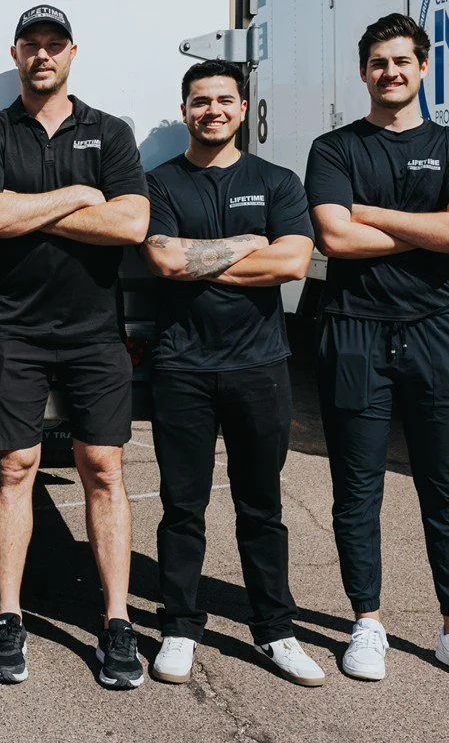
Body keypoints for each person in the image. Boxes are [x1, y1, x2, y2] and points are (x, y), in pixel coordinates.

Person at [305, 13, 449, 690]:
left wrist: (374, 214)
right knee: (356, 492)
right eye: (378, 63)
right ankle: (367, 622)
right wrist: (430, 229)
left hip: (437, 332)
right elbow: (335, 239)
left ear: (423, 68)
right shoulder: (333, 149)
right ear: (364, 73)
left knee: (445, 490)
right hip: (355, 330)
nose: (390, 72)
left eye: (402, 61)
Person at [0, 4, 150, 688]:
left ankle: (116, 620)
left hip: (95, 330)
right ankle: (8, 618)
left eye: (54, 45)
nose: (43, 56)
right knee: (14, 467)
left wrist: (29, 210)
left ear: (73, 53)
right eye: (32, 45)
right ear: (15, 54)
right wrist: (76, 194)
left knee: (103, 467)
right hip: (16, 327)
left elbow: (131, 223)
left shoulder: (110, 130)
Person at [138, 61, 324, 687]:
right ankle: (180, 627)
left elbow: (295, 261)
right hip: (181, 366)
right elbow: (163, 261)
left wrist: (204, 257)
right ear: (184, 110)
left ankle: (275, 630)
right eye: (199, 101)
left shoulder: (277, 180)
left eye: (224, 100)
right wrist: (251, 244)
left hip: (259, 365)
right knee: (181, 506)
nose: (211, 110)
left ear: (244, 109)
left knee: (261, 506)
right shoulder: (160, 183)